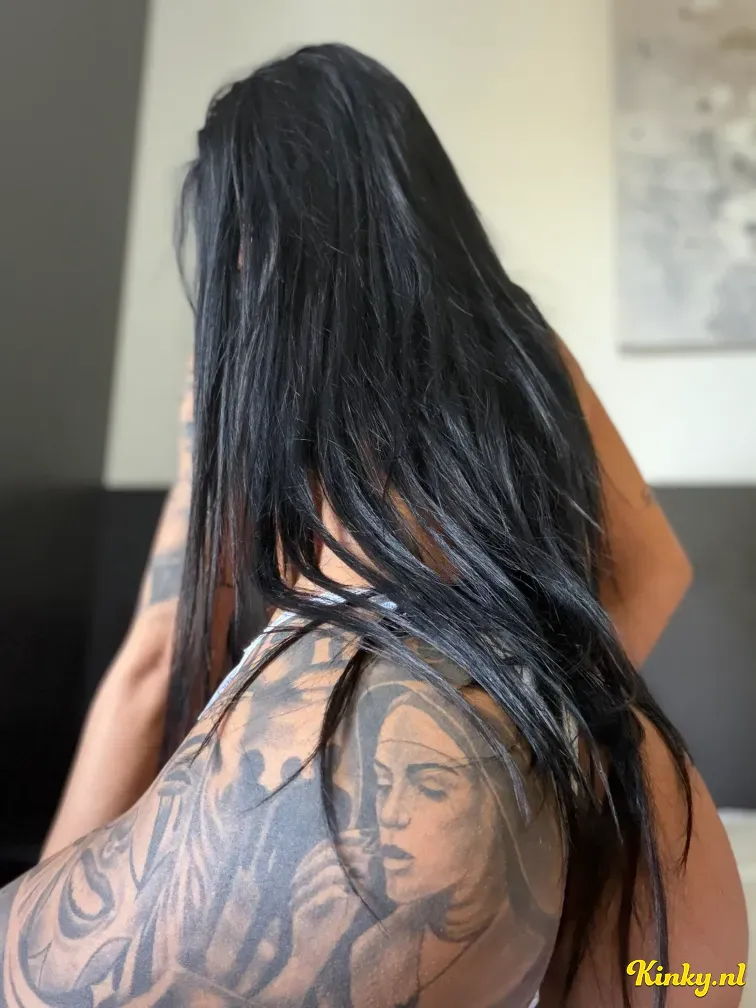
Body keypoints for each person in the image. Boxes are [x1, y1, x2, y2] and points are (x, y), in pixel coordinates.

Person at [4, 42, 744, 1006]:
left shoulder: (246, 364)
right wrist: (531, 742)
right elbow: (654, 571)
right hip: (642, 809)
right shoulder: (519, 337)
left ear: (249, 231)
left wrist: (69, 884)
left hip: (342, 774)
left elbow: (156, 658)